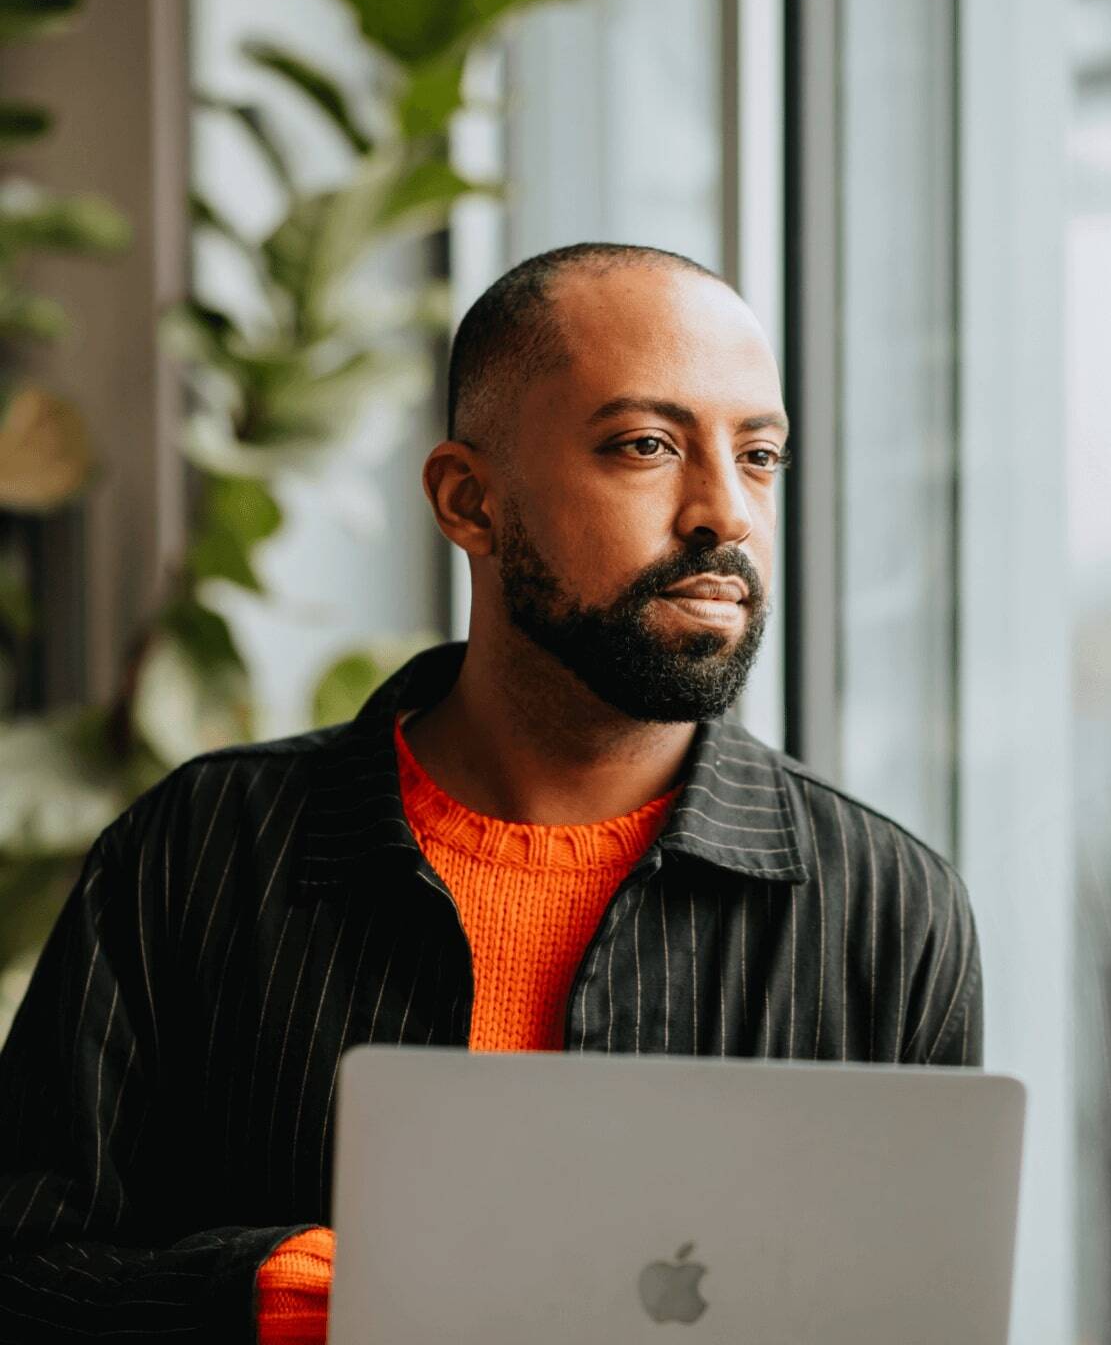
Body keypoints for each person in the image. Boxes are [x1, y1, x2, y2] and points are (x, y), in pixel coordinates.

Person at [0, 243, 982, 1342]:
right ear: (469, 499)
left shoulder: (885, 907)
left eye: (758, 455)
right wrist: (253, 1294)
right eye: (646, 446)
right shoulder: (197, 851)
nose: (725, 514)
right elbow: (22, 1271)